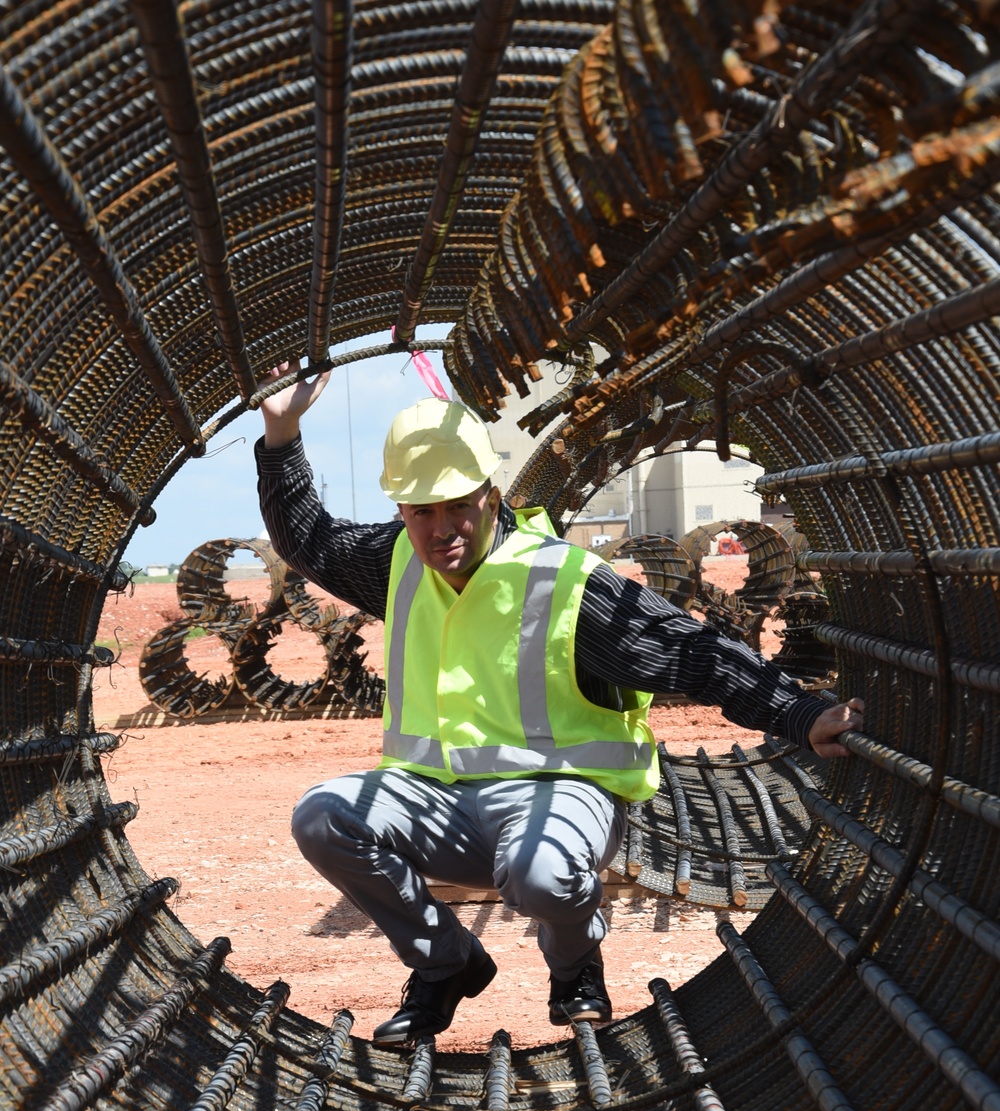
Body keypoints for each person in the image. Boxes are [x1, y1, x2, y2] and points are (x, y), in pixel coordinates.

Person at [255, 362, 864, 1046]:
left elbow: (689, 652)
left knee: (543, 871)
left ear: (491, 495)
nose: (440, 529)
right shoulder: (396, 560)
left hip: (561, 799)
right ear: (401, 509)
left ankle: (574, 964)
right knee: (323, 816)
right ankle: (444, 965)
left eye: (459, 505)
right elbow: (306, 538)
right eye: (421, 511)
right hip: (436, 801)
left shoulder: (565, 581)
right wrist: (282, 432)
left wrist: (798, 713)